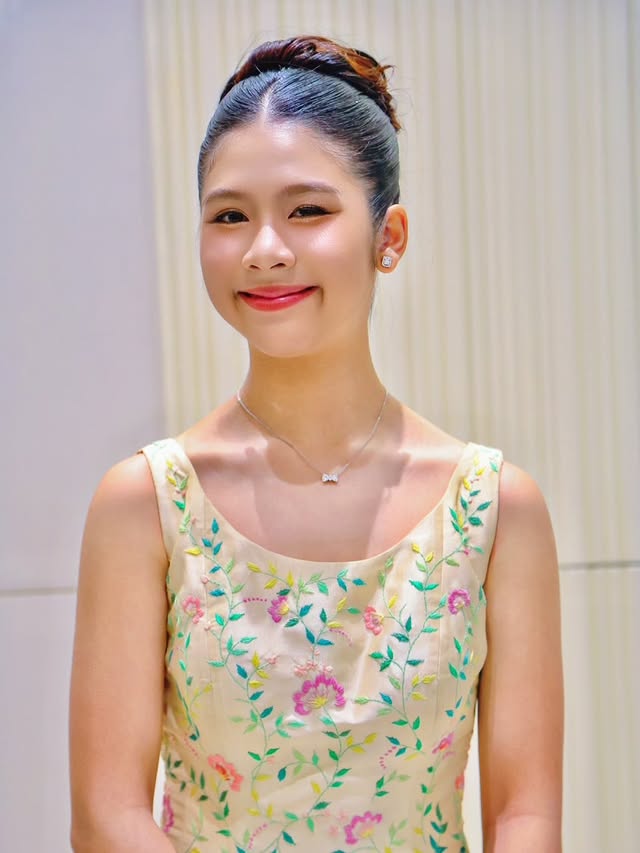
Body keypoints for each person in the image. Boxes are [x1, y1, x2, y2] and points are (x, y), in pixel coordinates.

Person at [69, 35, 563, 853]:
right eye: (230, 215)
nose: (264, 248)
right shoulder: (146, 503)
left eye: (307, 210)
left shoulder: (494, 508)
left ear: (389, 236)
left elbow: (525, 814)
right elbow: (106, 816)